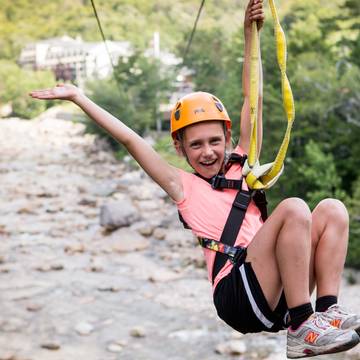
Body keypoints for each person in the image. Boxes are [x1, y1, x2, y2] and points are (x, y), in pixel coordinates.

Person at [30, 0, 360, 358]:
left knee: (332, 209)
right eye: (196, 145)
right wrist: (80, 97)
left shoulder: (242, 166)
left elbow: (254, 98)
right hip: (237, 295)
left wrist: (251, 34)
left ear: (228, 139)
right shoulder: (182, 187)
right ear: (180, 148)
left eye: (215, 141)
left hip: (276, 288)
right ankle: (302, 328)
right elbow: (130, 139)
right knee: (294, 208)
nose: (207, 152)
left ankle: (324, 312)